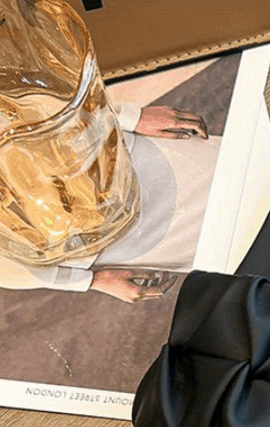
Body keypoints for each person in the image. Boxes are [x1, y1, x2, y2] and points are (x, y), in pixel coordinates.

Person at [0, 102, 220, 303]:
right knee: (230, 248)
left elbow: (34, 91)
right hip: (96, 239)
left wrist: (126, 116)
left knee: (232, 175)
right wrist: (90, 280)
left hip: (113, 155)